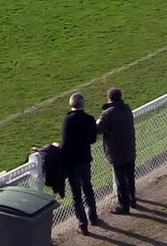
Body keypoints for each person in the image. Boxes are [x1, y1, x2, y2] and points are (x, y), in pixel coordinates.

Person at [62, 92, 101, 235]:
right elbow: (92, 140)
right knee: (88, 188)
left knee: (76, 194)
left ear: (71, 104)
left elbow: (66, 144)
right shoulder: (90, 119)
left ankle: (82, 224)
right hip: (85, 159)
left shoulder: (69, 120)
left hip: (73, 162)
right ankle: (94, 217)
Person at [97, 88, 136, 214]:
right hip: (129, 148)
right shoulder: (126, 108)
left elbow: (98, 129)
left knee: (121, 180)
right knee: (130, 176)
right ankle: (132, 199)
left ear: (109, 98)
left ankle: (123, 205)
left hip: (117, 151)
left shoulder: (107, 114)